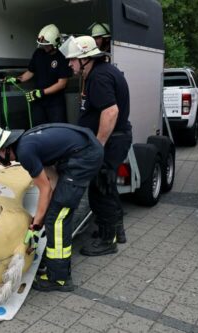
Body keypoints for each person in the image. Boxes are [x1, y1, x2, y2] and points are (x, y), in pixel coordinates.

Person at [0, 123, 103, 292]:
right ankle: (54, 265)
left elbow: (44, 188)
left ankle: (59, 278)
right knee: (55, 212)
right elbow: (51, 179)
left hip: (85, 156)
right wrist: (47, 210)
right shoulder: (26, 144)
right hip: (82, 151)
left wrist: (35, 224)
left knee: (57, 220)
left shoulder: (25, 152)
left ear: (2, 150)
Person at [59, 35, 132, 254]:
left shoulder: (99, 77)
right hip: (114, 140)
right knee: (107, 185)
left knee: (100, 190)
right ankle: (114, 230)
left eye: (72, 60)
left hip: (110, 142)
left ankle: (107, 241)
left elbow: (111, 112)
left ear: (85, 59)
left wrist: (97, 147)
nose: (69, 63)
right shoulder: (99, 73)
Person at [6, 24, 71, 125]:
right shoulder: (38, 53)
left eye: (47, 44)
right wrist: (17, 80)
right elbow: (30, 72)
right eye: (42, 44)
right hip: (38, 102)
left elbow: (62, 83)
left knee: (57, 130)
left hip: (55, 104)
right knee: (39, 130)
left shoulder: (62, 57)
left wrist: (42, 92)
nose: (44, 46)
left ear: (55, 42)